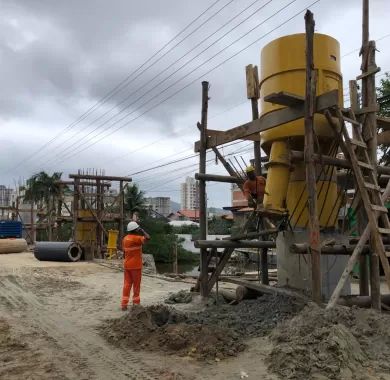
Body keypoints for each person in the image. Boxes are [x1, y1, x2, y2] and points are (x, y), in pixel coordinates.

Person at [121, 221, 150, 310]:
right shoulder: (137, 238)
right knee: (136, 285)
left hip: (127, 265)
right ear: (135, 230)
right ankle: (136, 304)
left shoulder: (125, 239)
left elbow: (124, 253)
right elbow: (148, 238)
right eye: (137, 229)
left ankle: (124, 304)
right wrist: (142, 230)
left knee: (127, 284)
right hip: (136, 266)